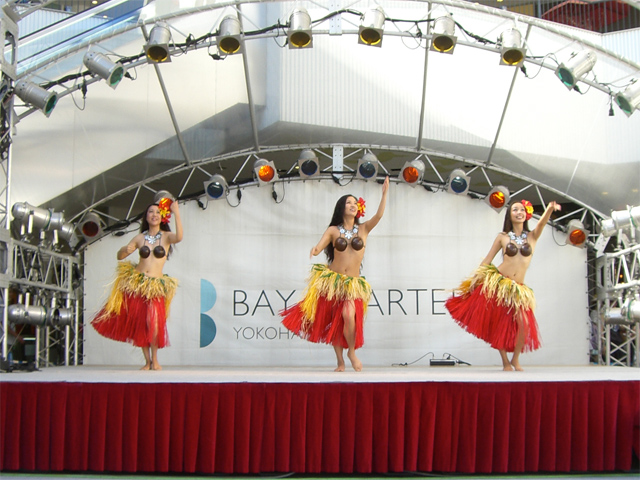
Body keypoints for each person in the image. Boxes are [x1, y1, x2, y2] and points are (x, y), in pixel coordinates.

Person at [281, 177, 389, 372]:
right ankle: (340, 361)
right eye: (348, 202)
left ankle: (351, 353)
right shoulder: (333, 230)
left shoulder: (363, 229)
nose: (353, 205)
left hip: (353, 283)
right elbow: (320, 245)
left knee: (348, 315)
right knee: (336, 321)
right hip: (333, 281)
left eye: (355, 203)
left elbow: (379, 215)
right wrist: (315, 250)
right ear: (341, 208)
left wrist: (384, 194)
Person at [445, 199, 561, 371]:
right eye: (515, 210)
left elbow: (542, 224)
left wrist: (549, 209)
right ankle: (505, 362)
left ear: (526, 214)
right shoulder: (502, 237)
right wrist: (474, 279)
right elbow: (488, 259)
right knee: (501, 324)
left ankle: (515, 359)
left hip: (518, 288)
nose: (519, 212)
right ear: (509, 215)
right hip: (499, 284)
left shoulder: (532, 236)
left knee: (524, 324)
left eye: (522, 210)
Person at [91, 199, 183, 370]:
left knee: (154, 323)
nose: (154, 215)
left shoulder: (166, 236)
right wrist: (124, 250)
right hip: (138, 284)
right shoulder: (140, 238)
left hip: (155, 286)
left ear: (162, 216)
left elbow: (179, 237)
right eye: (150, 212)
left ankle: (155, 359)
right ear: (146, 217)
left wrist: (176, 212)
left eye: (157, 212)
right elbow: (120, 256)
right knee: (141, 323)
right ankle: (147, 361)